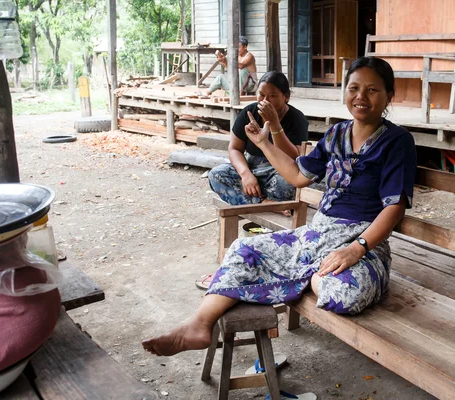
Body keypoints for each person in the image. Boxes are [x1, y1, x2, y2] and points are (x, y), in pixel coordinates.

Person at [143, 57, 417, 357]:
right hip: (318, 234)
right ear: (345, 91)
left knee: (345, 295)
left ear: (389, 95)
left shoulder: (397, 141)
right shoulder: (336, 134)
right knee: (243, 250)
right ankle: (198, 324)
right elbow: (299, 175)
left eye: (372, 90)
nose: (361, 97)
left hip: (363, 241)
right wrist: (263, 143)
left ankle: (304, 273)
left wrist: (357, 249)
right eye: (354, 88)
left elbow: (395, 206)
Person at [208, 71, 309, 212]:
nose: (265, 100)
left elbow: (294, 158)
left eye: (273, 96)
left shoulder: (296, 119)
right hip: (252, 168)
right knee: (216, 174)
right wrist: (245, 174)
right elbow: (234, 149)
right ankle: (265, 203)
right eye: (261, 94)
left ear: (286, 97)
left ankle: (260, 203)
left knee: (288, 184)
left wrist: (275, 125)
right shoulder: (249, 112)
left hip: (278, 172)